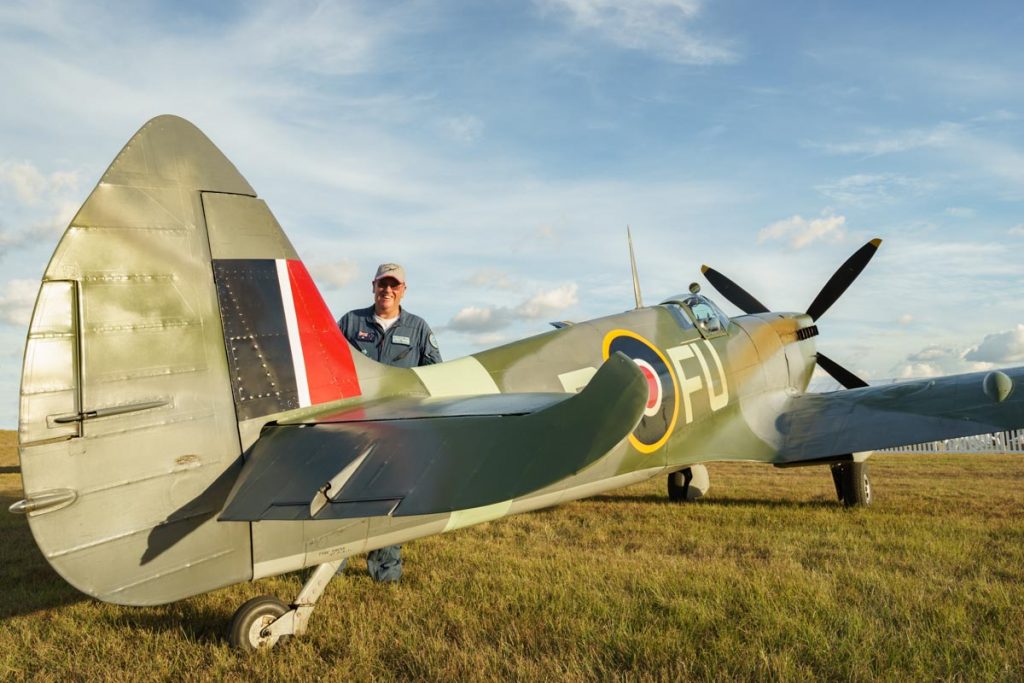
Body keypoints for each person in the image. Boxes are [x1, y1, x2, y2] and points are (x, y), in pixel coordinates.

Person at [337, 262, 441, 582]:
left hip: (398, 430)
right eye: (383, 284)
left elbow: (434, 375)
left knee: (389, 497)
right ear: (373, 286)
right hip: (354, 426)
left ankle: (386, 571)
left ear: (403, 290)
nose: (388, 290)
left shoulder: (419, 329)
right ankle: (331, 564)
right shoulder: (351, 322)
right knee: (340, 494)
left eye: (394, 285)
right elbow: (327, 364)